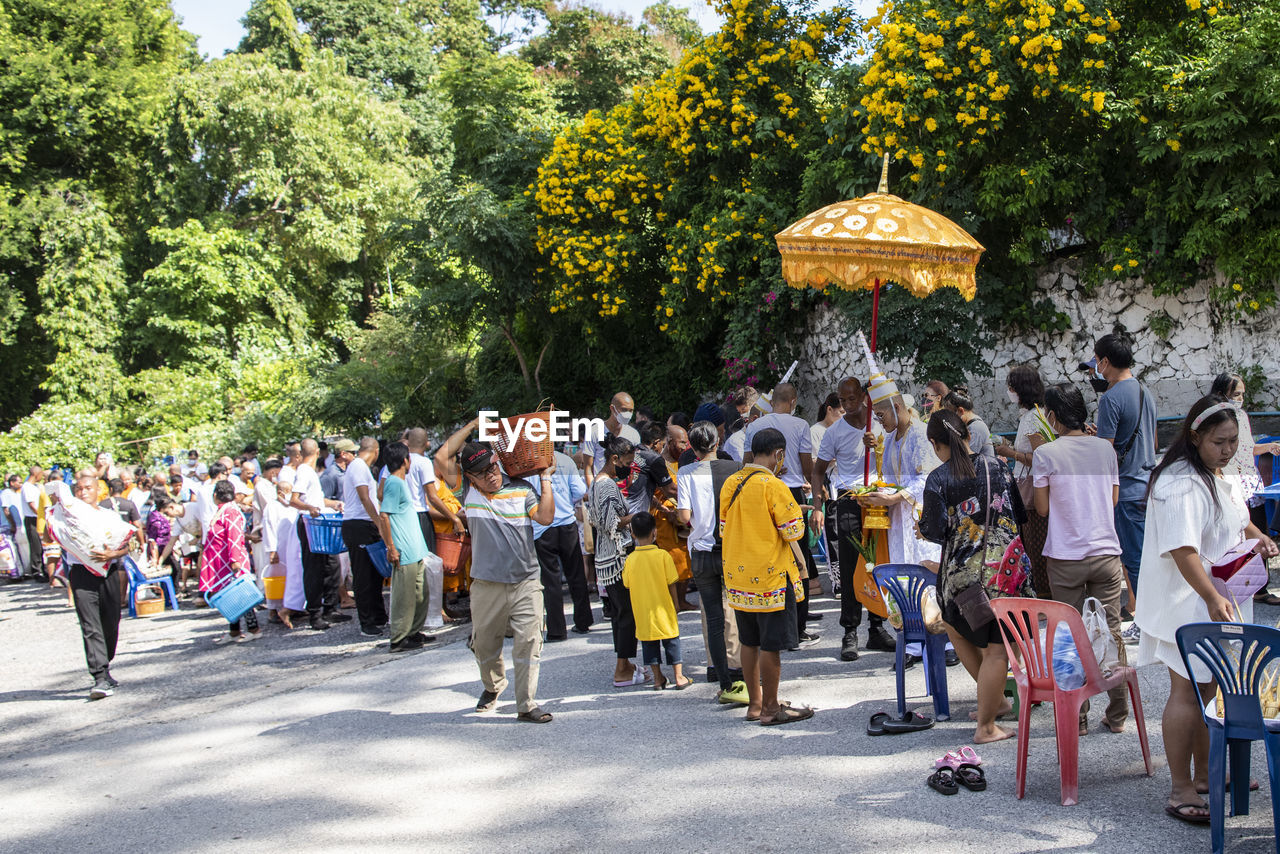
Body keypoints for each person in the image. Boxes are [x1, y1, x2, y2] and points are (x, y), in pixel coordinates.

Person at [1133, 395, 1279, 825]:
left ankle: (1205, 775)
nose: (1229, 450)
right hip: (1189, 603)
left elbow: (1233, 515)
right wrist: (1213, 598)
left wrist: (1258, 535)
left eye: (1234, 441)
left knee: (1211, 689)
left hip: (1215, 600)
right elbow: (1183, 549)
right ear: (1195, 436)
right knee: (1187, 691)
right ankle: (1180, 787)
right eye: (1220, 442)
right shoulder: (1179, 482)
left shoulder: (1213, 471)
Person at [919, 410, 1031, 744]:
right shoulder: (998, 467)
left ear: (936, 444)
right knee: (998, 649)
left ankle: (990, 713)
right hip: (1004, 574)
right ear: (968, 436)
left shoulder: (938, 479)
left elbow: (934, 530)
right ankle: (989, 717)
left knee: (957, 626)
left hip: (960, 580)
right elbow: (1019, 515)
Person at [1032, 383, 1129, 735]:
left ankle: (1079, 717)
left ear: (1053, 416)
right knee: (1111, 630)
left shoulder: (1046, 454)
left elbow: (1041, 508)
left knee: (1069, 637)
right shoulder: (1105, 449)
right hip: (1106, 552)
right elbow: (1114, 499)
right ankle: (1118, 714)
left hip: (1065, 557)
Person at [455, 442, 556, 723]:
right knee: (485, 645)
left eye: (492, 467)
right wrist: (475, 423)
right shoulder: (470, 493)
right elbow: (441, 457)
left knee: (529, 641)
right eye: (481, 473)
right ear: (470, 479)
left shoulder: (522, 488)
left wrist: (545, 478)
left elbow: (546, 517)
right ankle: (493, 686)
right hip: (487, 584)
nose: (490, 475)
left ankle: (526, 704)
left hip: (526, 581)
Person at [720, 427, 813, 725]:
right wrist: (798, 512)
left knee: (749, 641)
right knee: (770, 645)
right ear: (778, 454)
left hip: (738, 577)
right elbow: (793, 531)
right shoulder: (773, 486)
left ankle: (755, 704)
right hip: (770, 577)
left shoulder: (730, 483)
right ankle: (772, 708)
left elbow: (723, 529)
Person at [810, 377, 893, 662]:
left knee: (878, 563)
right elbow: (818, 471)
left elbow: (896, 455)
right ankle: (850, 631)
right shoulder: (835, 432)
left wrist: (878, 446)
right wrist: (818, 505)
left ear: (863, 395)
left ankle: (877, 627)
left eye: (852, 399)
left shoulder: (881, 422)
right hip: (849, 501)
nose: (847, 405)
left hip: (879, 500)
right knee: (850, 567)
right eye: (842, 401)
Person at [1089, 333, 1158, 629]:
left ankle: (1146, 622)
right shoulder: (1145, 392)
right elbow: (1151, 441)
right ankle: (1150, 617)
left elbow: (1106, 453)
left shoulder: (1111, 398)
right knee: (1147, 556)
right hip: (1147, 485)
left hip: (1126, 490)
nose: (1095, 366)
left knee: (1134, 560)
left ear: (1105, 362)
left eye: (1096, 360)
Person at [677, 421, 748, 704]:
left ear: (693, 448)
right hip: (732, 549)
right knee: (739, 609)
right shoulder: (736, 470)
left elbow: (684, 516)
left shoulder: (685, 472)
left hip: (702, 552)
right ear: (718, 442)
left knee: (713, 617)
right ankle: (742, 668)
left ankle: (722, 678)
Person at [744, 382, 820, 645]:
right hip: (791, 492)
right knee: (799, 558)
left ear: (772, 401)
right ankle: (798, 628)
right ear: (793, 401)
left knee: (769, 555)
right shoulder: (800, 425)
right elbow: (807, 464)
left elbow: (746, 463)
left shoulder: (754, 425)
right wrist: (807, 480)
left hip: (759, 490)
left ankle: (772, 623)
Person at [1210, 372, 1280, 606]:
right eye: (1235, 394)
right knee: (1237, 535)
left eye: (1241, 394)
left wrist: (1267, 447)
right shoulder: (1217, 418)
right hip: (1231, 483)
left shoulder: (1241, 415)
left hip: (1251, 484)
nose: (1239, 399)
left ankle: (1259, 587)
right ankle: (1234, 585)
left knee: (1257, 532)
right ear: (1222, 394)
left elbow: (1246, 449)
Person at [64, 475, 132, 699]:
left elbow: (129, 544)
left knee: (111, 622)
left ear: (98, 491)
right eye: (79, 489)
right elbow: (49, 535)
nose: (83, 492)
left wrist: (113, 553)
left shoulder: (108, 515)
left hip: (109, 571)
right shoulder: (67, 517)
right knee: (90, 625)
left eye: (87, 488)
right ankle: (100, 676)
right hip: (81, 574)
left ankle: (106, 664)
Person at [588, 435, 646, 687]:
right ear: (614, 459)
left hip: (607, 557)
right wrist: (635, 516)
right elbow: (611, 521)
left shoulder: (599, 483)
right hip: (616, 558)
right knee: (626, 614)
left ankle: (625, 664)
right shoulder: (607, 486)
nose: (629, 467)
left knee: (621, 613)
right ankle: (622, 669)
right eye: (627, 461)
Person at [994, 364, 1052, 597]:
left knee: (1035, 551)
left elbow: (1041, 458)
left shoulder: (1032, 418)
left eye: (1012, 387)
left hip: (1030, 493)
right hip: (1029, 488)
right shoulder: (1038, 413)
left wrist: (1011, 454)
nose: (1009, 391)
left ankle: (1044, 600)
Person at [379, 442, 437, 652]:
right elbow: (384, 515)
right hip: (403, 549)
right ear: (405, 461)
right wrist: (391, 546)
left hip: (415, 548)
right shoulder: (394, 483)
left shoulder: (399, 482)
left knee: (420, 593)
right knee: (404, 596)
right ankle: (399, 637)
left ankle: (413, 631)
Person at [623, 512, 691, 690]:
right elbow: (672, 583)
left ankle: (657, 677)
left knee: (649, 643)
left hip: (642, 610)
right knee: (672, 640)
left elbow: (627, 583)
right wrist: (676, 604)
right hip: (664, 607)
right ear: (655, 532)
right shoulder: (662, 555)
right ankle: (679, 676)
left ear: (632, 534)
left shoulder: (630, 560)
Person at [531, 444, 592, 641]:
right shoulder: (565, 461)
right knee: (576, 575)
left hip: (542, 526)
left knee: (550, 580)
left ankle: (557, 630)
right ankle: (583, 622)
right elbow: (579, 491)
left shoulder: (530, 464)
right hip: (567, 524)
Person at [291, 438, 348, 630]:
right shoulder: (304, 472)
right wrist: (310, 508)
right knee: (314, 568)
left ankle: (330, 608)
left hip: (319, 520)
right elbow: (294, 499)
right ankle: (315, 613)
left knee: (331, 564)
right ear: (316, 452)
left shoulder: (311, 472)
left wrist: (332, 504)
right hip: (309, 521)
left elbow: (314, 497)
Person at [201, 480, 260, 644]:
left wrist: (235, 561)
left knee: (242, 595)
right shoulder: (223, 511)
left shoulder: (231, 512)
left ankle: (254, 629)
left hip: (232, 561)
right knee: (230, 597)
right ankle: (234, 631)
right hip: (223, 562)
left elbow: (234, 536)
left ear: (215, 496)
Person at [341, 437, 386, 637]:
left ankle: (378, 615)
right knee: (363, 575)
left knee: (374, 573)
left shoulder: (361, 468)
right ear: (375, 451)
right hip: (358, 524)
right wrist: (378, 522)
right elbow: (364, 496)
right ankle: (366, 621)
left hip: (365, 524)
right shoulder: (358, 465)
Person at [580, 392, 642, 483]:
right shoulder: (594, 432)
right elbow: (588, 467)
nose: (628, 414)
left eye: (631, 410)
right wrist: (593, 491)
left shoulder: (633, 434)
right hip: (601, 486)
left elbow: (636, 466)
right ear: (612, 409)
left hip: (625, 489)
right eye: (624, 410)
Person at [942, 385, 995, 458]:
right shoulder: (970, 425)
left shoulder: (975, 428)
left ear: (960, 411)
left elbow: (966, 457)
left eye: (950, 415)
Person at [21, 466, 44, 578]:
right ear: (36, 474)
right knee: (36, 547)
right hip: (32, 518)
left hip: (38, 517)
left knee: (41, 545)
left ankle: (42, 569)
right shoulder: (27, 487)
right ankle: (36, 571)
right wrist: (41, 515)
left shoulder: (35, 487)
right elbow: (32, 505)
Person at [809, 392, 842, 468]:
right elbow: (810, 462)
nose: (844, 416)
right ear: (829, 409)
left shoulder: (844, 431)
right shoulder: (815, 431)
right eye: (842, 412)